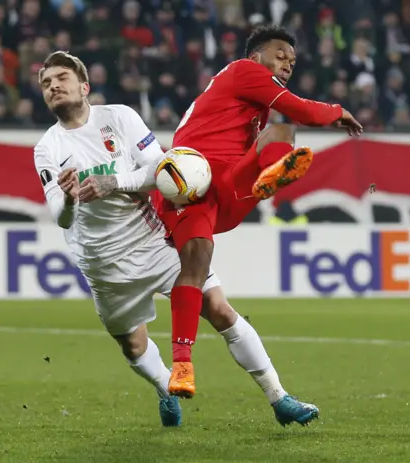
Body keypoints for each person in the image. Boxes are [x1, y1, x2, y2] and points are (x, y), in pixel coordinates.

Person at [33, 51, 319, 428]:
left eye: (61, 78)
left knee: (218, 308)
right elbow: (60, 216)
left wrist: (114, 182)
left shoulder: (119, 118)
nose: (53, 86)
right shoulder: (48, 148)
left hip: (151, 241)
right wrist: (69, 199)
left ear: (84, 87)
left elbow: (163, 168)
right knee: (133, 346)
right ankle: (164, 387)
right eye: (46, 83)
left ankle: (279, 397)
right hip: (102, 264)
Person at [153, 25, 364, 398]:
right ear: (256, 57)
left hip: (227, 183)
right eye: (280, 55)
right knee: (198, 262)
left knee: (280, 126)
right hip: (191, 184)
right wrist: (337, 111)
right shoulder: (243, 70)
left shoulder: (254, 101)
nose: (287, 64)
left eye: (293, 61)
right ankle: (182, 365)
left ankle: (272, 174)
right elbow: (300, 108)